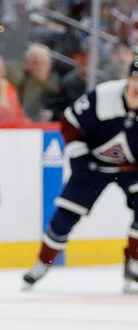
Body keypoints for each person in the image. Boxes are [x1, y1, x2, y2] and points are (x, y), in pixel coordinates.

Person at [23, 58, 138, 293]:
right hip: (93, 165)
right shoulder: (104, 96)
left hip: (133, 169)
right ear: (127, 78)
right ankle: (42, 263)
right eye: (136, 77)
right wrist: (79, 157)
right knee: (66, 215)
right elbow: (69, 122)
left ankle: (134, 262)